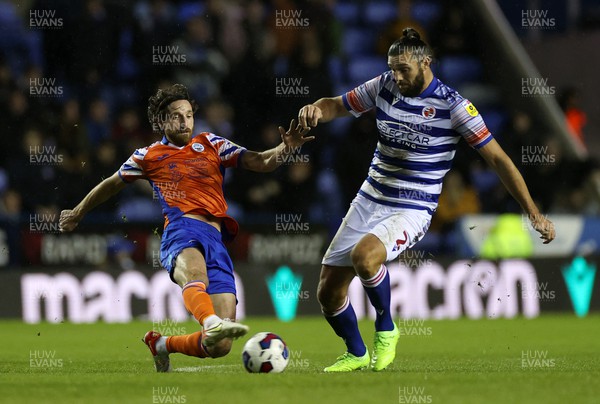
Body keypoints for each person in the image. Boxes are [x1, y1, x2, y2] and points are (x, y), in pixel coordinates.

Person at [297, 28, 555, 373]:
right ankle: (356, 353)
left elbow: (499, 160)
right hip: (370, 196)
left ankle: (386, 329)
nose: (397, 76)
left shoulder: (454, 106)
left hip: (413, 206)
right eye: (392, 68)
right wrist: (314, 108)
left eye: (404, 69)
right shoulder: (384, 85)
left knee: (365, 257)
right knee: (328, 292)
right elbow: (337, 106)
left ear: (425, 63)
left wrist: (533, 212)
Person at [59, 84, 313, 372]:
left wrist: (286, 148)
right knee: (195, 275)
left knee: (220, 346)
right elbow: (111, 184)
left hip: (216, 240)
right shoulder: (147, 155)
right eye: (176, 116)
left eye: (189, 115)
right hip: (181, 230)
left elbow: (259, 161)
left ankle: (162, 344)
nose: (184, 121)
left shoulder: (212, 144)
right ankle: (210, 322)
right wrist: (78, 212)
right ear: (161, 122)